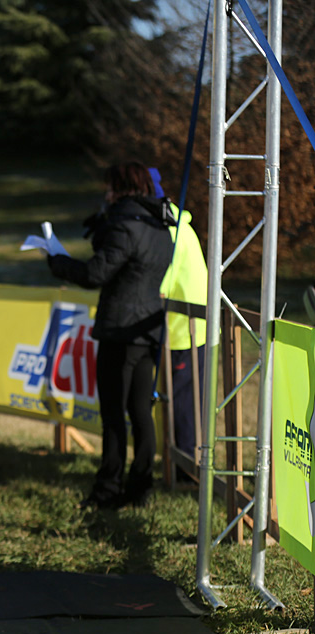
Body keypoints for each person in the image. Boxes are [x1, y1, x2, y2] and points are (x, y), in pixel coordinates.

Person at [47, 162, 175, 510]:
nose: (105, 193)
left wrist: (57, 261)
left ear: (121, 189)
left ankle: (108, 489)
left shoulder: (125, 226)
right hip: (148, 328)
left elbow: (95, 274)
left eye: (109, 187)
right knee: (141, 411)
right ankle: (140, 486)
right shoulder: (161, 226)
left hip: (120, 329)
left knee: (114, 414)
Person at [154, 172, 208, 467]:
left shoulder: (170, 232)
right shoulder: (178, 224)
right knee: (186, 399)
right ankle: (183, 463)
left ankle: (187, 468)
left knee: (184, 403)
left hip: (185, 331)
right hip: (191, 328)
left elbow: (160, 284)